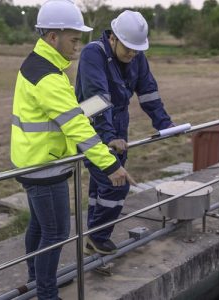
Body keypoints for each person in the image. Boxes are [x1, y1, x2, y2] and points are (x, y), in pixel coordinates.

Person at [10, 0, 135, 298]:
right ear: (54, 36)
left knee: (40, 228)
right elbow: (77, 129)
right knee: (55, 234)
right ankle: (47, 293)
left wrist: (84, 110)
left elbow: (62, 116)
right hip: (45, 167)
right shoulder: (49, 77)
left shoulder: (39, 64)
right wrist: (111, 165)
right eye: (74, 39)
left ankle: (36, 279)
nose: (78, 46)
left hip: (32, 160)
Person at [75, 10, 174, 255]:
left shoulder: (136, 57)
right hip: (92, 127)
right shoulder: (93, 54)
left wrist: (165, 124)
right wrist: (108, 137)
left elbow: (148, 91)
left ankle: (92, 237)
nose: (131, 53)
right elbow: (97, 100)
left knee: (101, 186)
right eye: (127, 48)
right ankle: (98, 237)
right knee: (115, 184)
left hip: (119, 124)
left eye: (136, 49)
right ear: (113, 38)